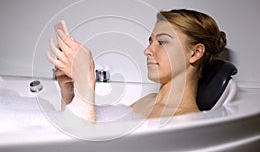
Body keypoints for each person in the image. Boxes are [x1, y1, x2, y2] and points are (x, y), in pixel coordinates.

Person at [46, 9, 227, 122]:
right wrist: (69, 92)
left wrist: (86, 81)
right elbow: (74, 133)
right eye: (151, 41)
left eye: (162, 42)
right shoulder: (147, 102)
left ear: (195, 53)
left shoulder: (184, 120)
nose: (147, 50)